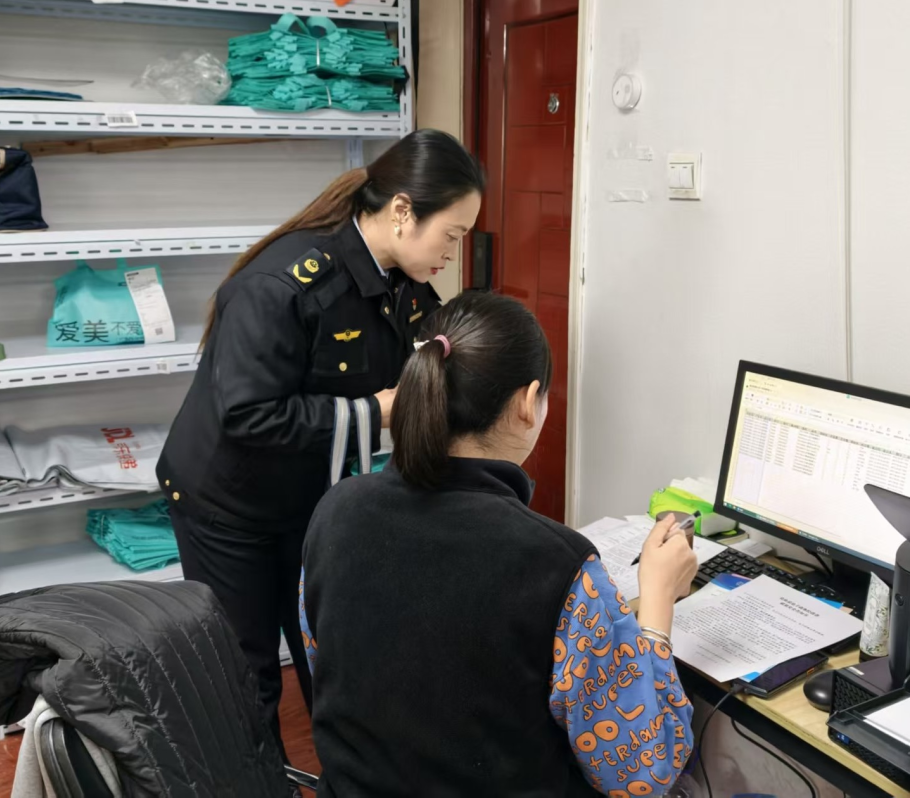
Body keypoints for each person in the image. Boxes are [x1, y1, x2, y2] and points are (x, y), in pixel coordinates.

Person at [156, 129, 485, 758]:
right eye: (451, 235)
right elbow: (248, 415)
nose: (453, 252)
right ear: (402, 211)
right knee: (247, 677)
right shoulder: (285, 285)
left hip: (309, 498)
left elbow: (431, 347)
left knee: (333, 653)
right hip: (228, 506)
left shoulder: (402, 280)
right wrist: (377, 411)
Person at [300, 292, 699, 797]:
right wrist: (658, 602)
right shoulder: (557, 565)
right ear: (527, 403)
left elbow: (327, 665)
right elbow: (642, 772)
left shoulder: (335, 511)